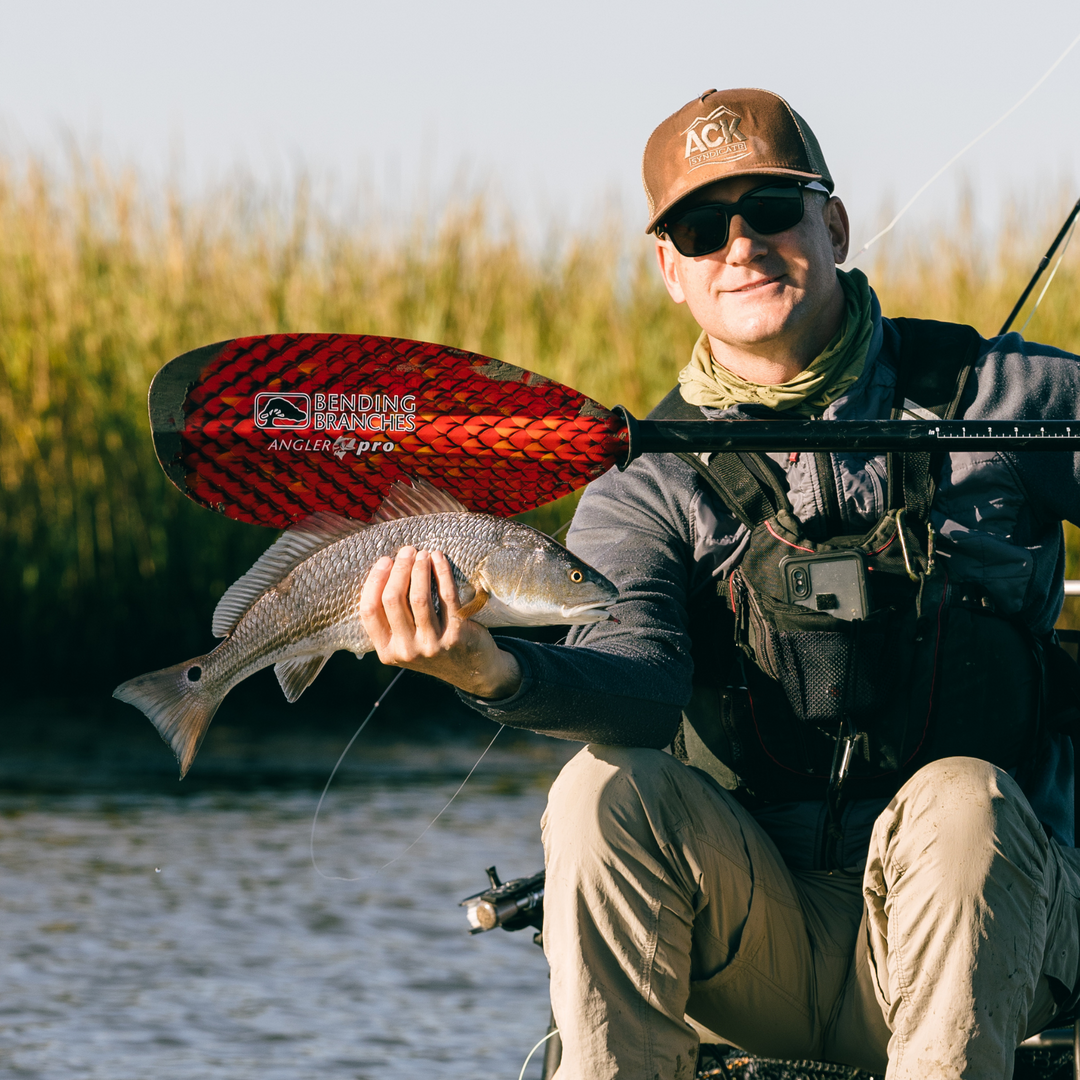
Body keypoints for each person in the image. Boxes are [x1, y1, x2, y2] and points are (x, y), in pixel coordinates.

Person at [358, 88, 1080, 1080]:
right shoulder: (645, 484)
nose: (741, 246)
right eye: (701, 228)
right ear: (671, 269)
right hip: (763, 949)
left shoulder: (1008, 397)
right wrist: (489, 669)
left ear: (833, 226)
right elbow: (638, 686)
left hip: (1006, 934)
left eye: (771, 210)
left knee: (963, 798)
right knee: (600, 791)